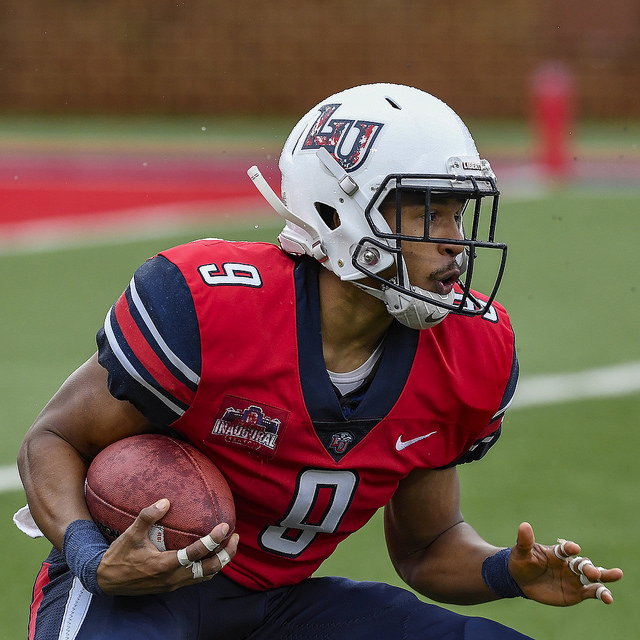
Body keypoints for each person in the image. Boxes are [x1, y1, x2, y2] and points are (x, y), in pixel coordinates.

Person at [17, 83, 622, 640]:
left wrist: (505, 572)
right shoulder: (211, 308)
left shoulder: (469, 349)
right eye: (428, 213)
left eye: (457, 213)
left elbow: (428, 544)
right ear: (339, 213)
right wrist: (91, 558)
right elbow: (52, 439)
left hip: (280, 607)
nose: (455, 241)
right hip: (139, 597)